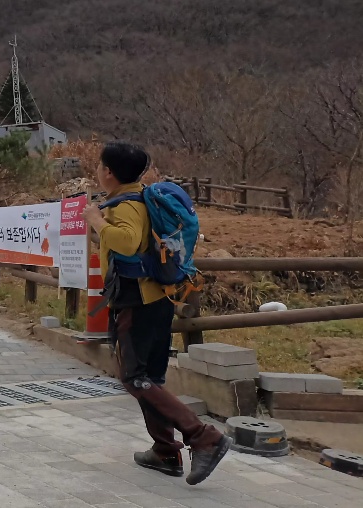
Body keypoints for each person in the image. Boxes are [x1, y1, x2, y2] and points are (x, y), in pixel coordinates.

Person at [83, 142, 229, 486]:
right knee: (150, 378)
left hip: (135, 301)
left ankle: (203, 436)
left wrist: (96, 221)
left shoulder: (125, 205)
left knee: (135, 378)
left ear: (108, 172)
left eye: (100, 166)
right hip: (158, 298)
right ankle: (165, 451)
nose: (98, 171)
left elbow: (127, 241)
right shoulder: (142, 198)